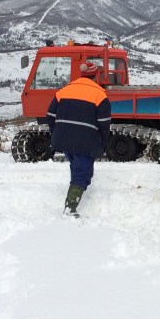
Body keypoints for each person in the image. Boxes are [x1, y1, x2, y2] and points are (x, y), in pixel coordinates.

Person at [46, 61, 111, 216]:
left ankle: (73, 196)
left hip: (65, 139)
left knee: (76, 168)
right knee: (82, 173)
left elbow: (50, 115)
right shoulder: (100, 94)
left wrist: (57, 134)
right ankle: (70, 208)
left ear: (82, 74)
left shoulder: (64, 90)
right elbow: (104, 124)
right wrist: (101, 143)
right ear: (95, 76)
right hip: (85, 141)